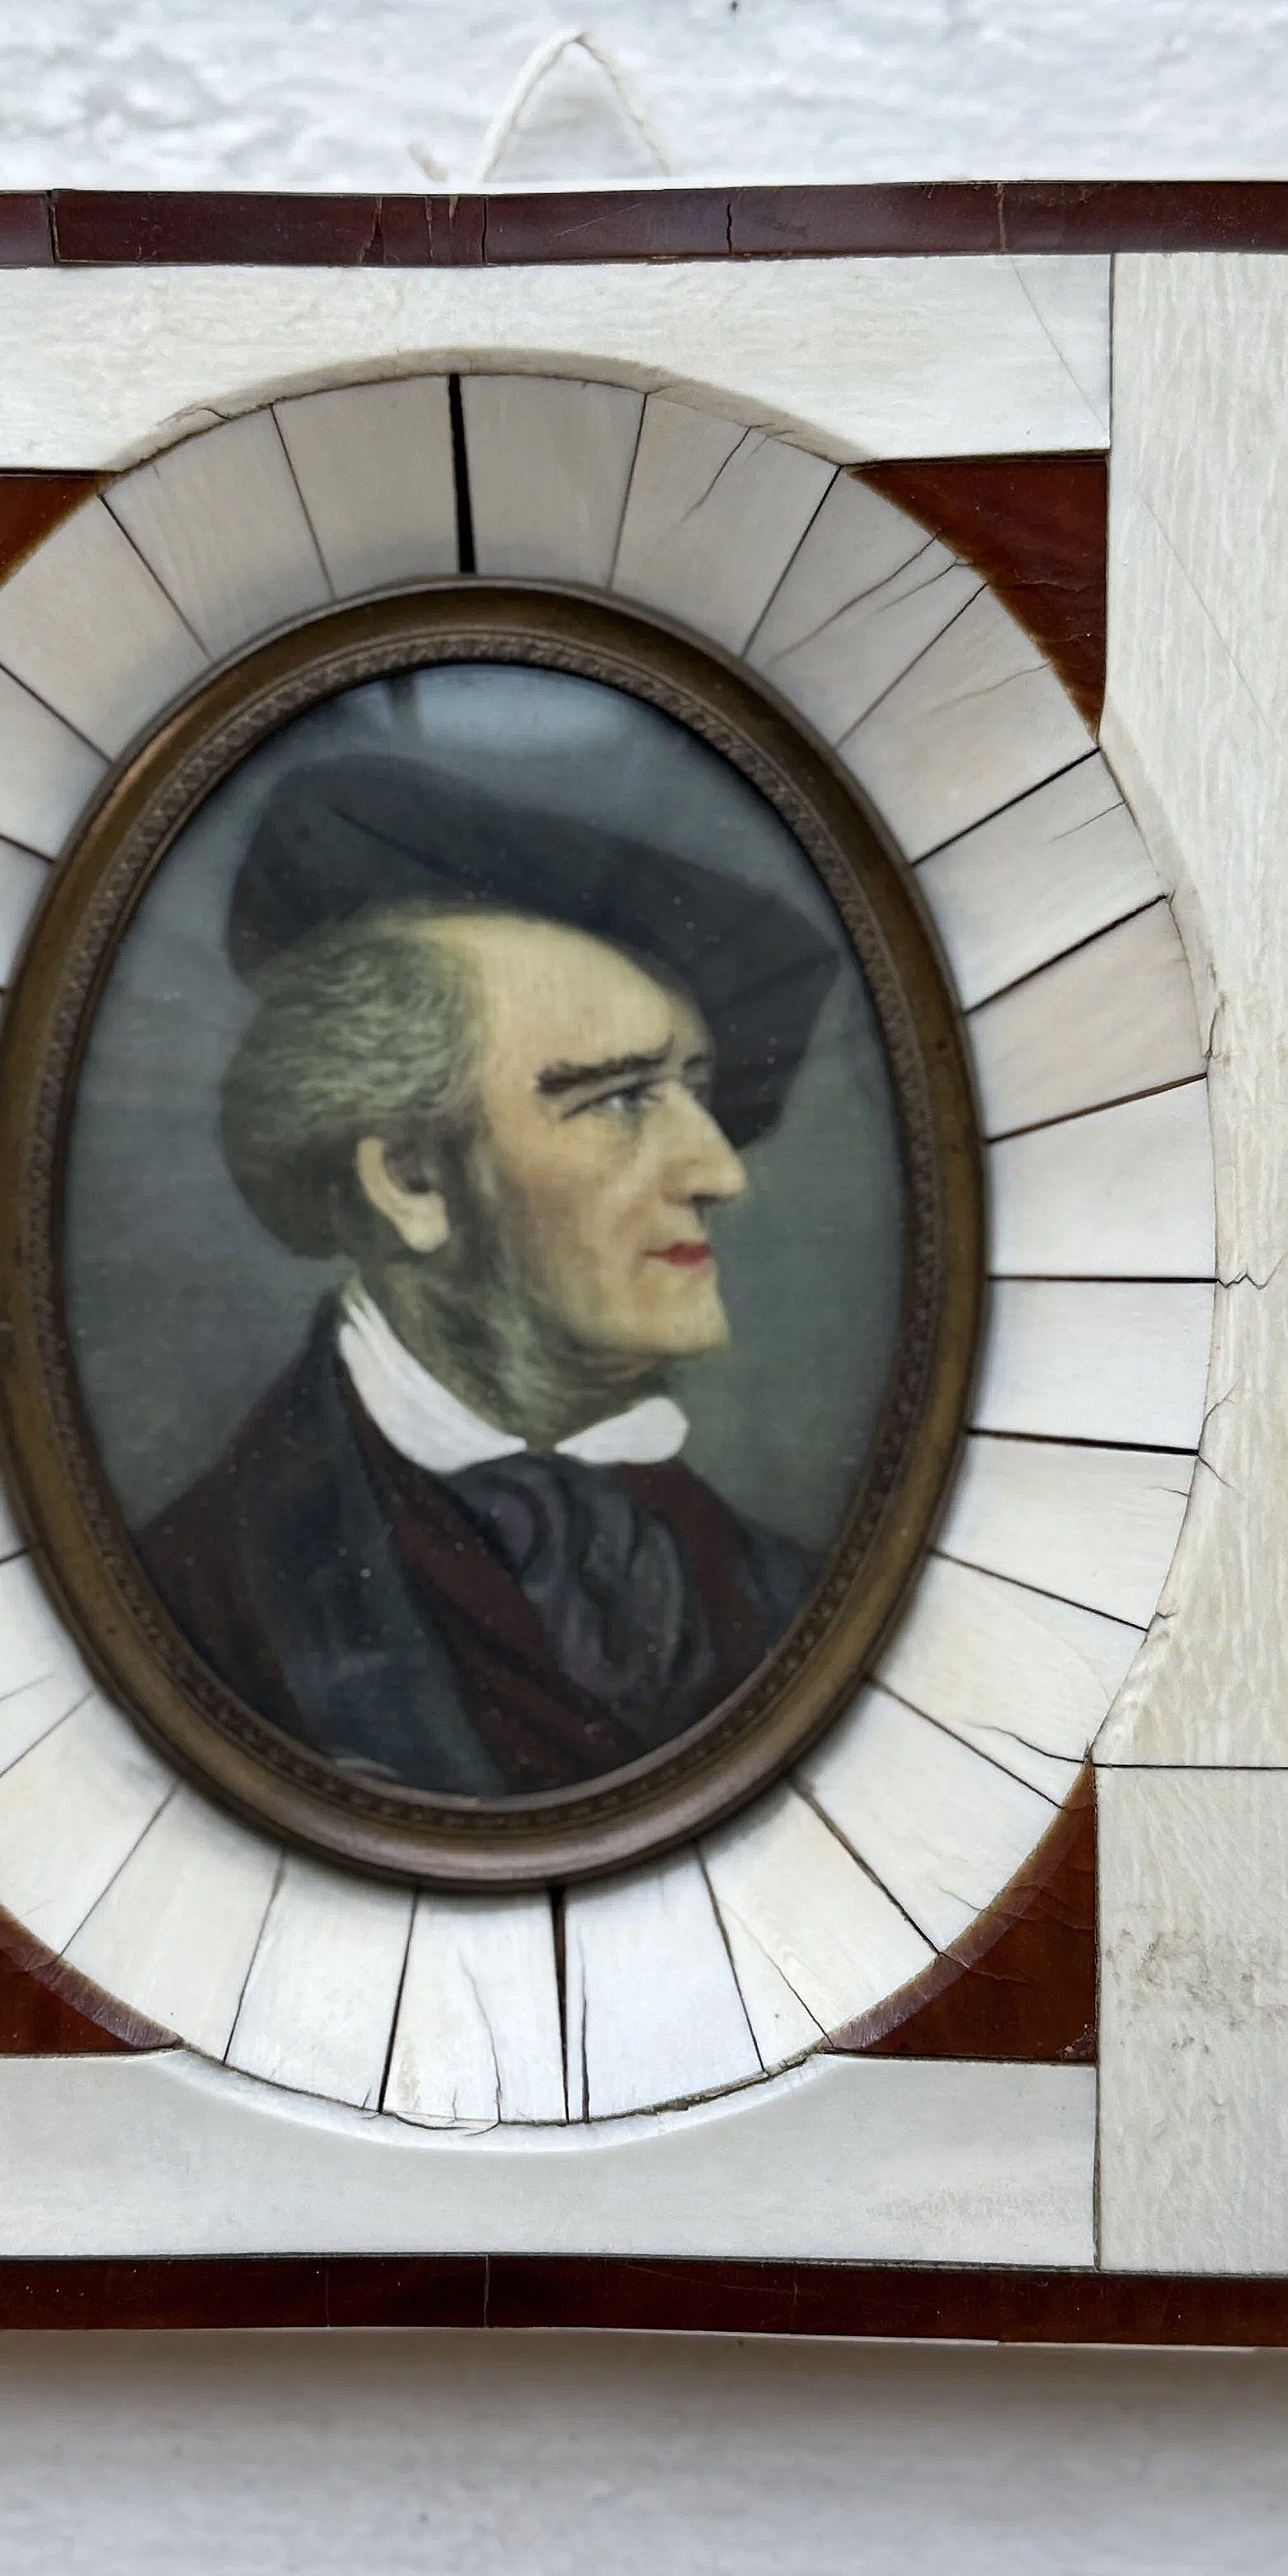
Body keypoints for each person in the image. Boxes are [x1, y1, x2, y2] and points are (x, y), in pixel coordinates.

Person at [134, 754, 840, 1797]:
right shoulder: (198, 1601)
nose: (721, 1172)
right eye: (619, 1099)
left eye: (696, 1090)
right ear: (412, 1181)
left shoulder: (784, 1588)